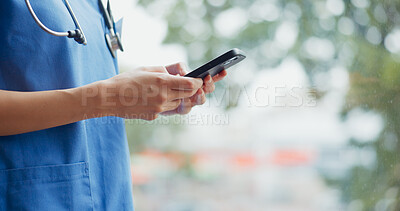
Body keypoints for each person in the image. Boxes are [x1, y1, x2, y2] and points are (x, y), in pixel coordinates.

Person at [0, 0, 226, 210]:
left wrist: (143, 98)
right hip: (33, 197)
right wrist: (110, 98)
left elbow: (83, 89)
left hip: (112, 193)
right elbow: (99, 98)